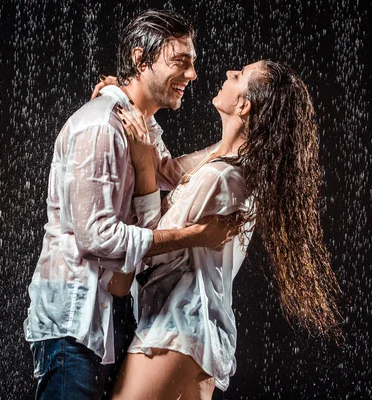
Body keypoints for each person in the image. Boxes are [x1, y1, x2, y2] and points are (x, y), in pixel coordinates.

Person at [24, 10, 238, 400]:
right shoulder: (103, 126)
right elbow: (97, 237)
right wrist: (194, 236)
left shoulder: (139, 124)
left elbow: (172, 173)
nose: (192, 74)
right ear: (141, 60)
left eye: (193, 62)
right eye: (180, 61)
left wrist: (237, 146)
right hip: (76, 320)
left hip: (110, 312)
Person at [108, 60, 343, 399]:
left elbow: (150, 247)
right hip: (196, 327)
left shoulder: (221, 178)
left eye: (239, 76)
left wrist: (142, 162)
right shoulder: (226, 162)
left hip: (180, 324)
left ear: (243, 105)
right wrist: (133, 104)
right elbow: (168, 170)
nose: (228, 75)